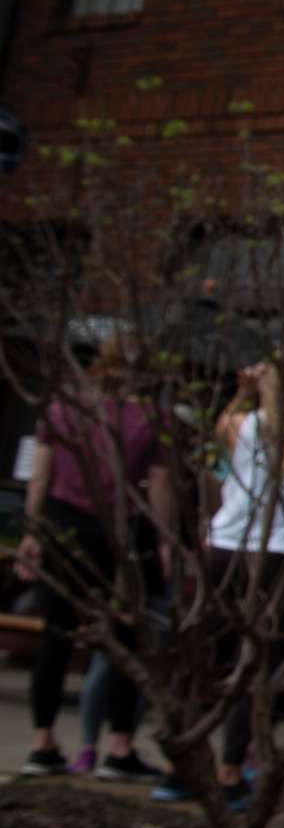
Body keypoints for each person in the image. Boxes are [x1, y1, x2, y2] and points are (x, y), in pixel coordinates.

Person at [183, 348, 284, 806]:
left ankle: (188, 760)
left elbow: (223, 443)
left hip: (224, 547)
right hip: (275, 556)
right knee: (255, 666)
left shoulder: (239, 424)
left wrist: (242, 394)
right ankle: (232, 768)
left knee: (209, 656)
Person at [14, 327, 170, 783]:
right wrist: (162, 540)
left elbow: (39, 478)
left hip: (65, 525)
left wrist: (32, 530)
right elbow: (159, 488)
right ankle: (118, 745)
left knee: (55, 636)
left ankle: (43, 741)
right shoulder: (149, 419)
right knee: (127, 639)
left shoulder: (63, 411)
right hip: (123, 531)